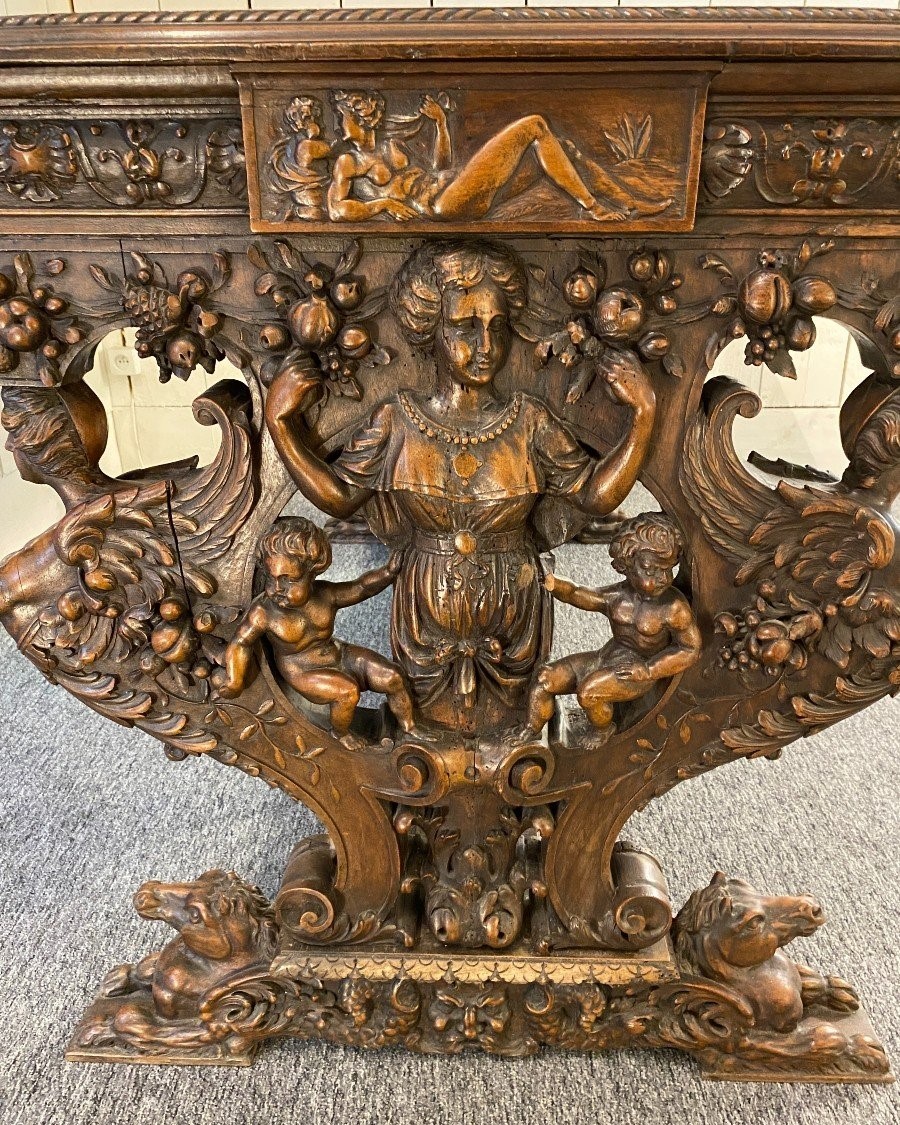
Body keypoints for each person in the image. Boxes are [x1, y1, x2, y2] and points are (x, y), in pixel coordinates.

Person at [265, 240, 657, 735]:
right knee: (422, 724)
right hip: (423, 609)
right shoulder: (398, 421)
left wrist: (643, 416)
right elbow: (340, 496)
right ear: (429, 329)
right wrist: (281, 425)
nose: (486, 345)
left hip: (513, 610)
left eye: (497, 327)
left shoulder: (528, 421)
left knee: (514, 725)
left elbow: (593, 496)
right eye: (465, 327)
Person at [213, 517, 416, 748]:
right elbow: (240, 643)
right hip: (302, 671)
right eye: (271, 578)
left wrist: (388, 572)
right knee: (346, 692)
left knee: (392, 676)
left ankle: (410, 730)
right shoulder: (264, 612)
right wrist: (235, 680)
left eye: (289, 580)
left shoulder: (326, 595)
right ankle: (340, 734)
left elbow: (361, 587)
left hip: (337, 654)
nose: (277, 589)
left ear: (312, 573)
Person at [326, 89, 636, 224]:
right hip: (442, 205)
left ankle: (627, 202)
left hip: (457, 191)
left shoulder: (393, 145)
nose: (338, 127)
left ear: (360, 116)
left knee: (562, 147)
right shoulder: (349, 161)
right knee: (535, 125)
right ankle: (593, 207)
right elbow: (337, 209)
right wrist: (383, 204)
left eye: (342, 118)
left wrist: (441, 124)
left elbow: (440, 167)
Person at [522, 513, 702, 745]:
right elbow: (579, 593)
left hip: (637, 671)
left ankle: (603, 730)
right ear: (627, 565)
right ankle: (529, 735)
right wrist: (554, 583)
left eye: (667, 570)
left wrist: (650, 669)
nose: (661, 578)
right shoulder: (618, 596)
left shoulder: (674, 608)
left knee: (589, 693)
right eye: (651, 570)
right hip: (606, 658)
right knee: (545, 678)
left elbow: (690, 649)